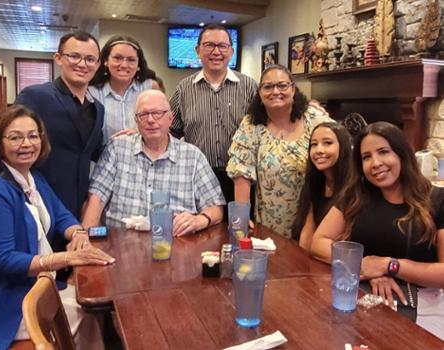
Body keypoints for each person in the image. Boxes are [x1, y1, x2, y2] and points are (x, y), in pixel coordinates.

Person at [0, 105, 114, 350]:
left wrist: (77, 233)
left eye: (33, 135)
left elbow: (61, 214)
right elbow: (2, 261)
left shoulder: (33, 177)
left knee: (92, 311)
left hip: (27, 288)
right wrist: (69, 257)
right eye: (15, 137)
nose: (27, 143)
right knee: (87, 314)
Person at [310, 121, 444, 340]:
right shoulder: (355, 196)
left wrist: (389, 266)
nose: (375, 163)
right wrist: (362, 265)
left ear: (402, 154)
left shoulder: (437, 199)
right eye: (366, 157)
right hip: (364, 298)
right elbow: (319, 242)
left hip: (422, 304)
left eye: (383, 152)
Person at [0, 31, 104, 220]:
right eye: (74, 56)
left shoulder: (97, 109)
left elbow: (96, 151)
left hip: (77, 206)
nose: (82, 64)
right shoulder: (35, 96)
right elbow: (0, 140)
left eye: (90, 59)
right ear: (58, 58)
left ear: (98, 64)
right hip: (36, 201)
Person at [82, 90, 225, 236]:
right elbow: (96, 199)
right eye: (143, 115)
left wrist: (199, 220)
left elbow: (216, 206)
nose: (150, 120)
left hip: (176, 244)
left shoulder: (192, 156)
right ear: (136, 120)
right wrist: (86, 241)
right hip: (121, 243)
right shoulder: (117, 148)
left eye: (157, 113)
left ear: (170, 118)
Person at [226, 64, 331, 237]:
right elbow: (241, 171)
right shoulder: (251, 125)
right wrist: (241, 217)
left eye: (282, 85)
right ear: (259, 94)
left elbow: (339, 148)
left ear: (293, 90)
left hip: (316, 217)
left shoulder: (315, 118)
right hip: (272, 224)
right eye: (268, 87)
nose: (275, 91)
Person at [170, 24, 258, 207]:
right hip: (198, 178)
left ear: (231, 51)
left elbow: (267, 125)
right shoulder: (183, 89)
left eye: (222, 46)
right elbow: (170, 131)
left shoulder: (250, 87)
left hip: (242, 180)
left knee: (240, 232)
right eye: (209, 45)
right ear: (198, 50)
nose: (216, 51)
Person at [291, 122, 353, 250]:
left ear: (344, 147)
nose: (319, 150)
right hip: (317, 257)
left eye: (328, 143)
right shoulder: (315, 184)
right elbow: (308, 231)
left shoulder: (354, 188)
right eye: (314, 144)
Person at [89, 35, 159, 142]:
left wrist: (142, 132)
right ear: (105, 61)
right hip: (102, 156)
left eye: (131, 60)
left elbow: (164, 124)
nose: (124, 65)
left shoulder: (150, 88)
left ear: (138, 65)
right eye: (117, 58)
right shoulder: (91, 92)